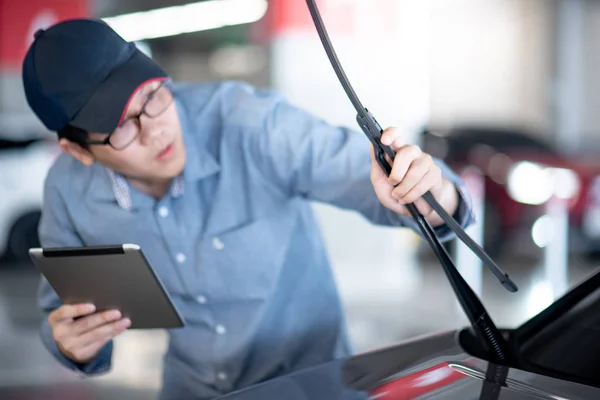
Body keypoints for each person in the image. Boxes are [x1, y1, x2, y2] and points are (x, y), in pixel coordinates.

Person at [22, 18, 474, 400]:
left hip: (311, 386)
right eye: (122, 128)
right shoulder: (69, 190)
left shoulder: (250, 123)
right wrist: (73, 344)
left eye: (153, 97)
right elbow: (61, 312)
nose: (155, 130)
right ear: (77, 150)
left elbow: (397, 191)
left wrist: (428, 192)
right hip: (190, 388)